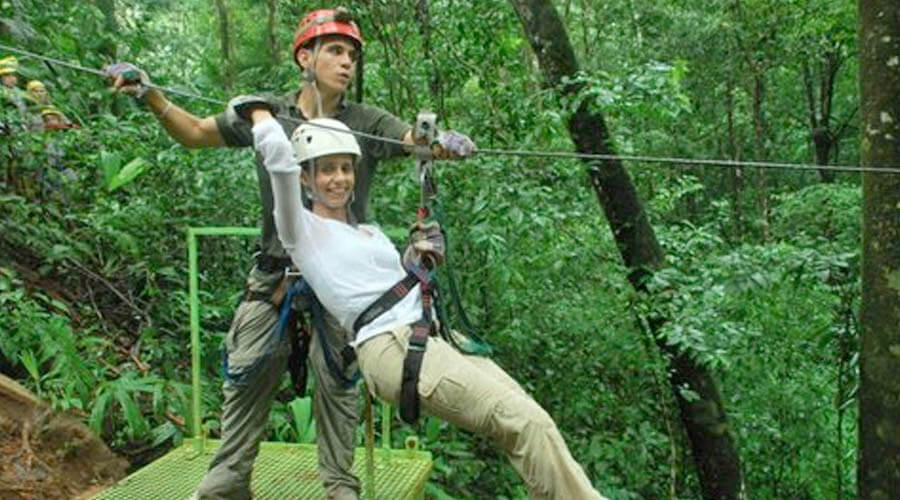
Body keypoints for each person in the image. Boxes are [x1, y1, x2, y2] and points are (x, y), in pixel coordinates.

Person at [103, 8, 474, 500]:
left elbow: (409, 138)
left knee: (339, 384)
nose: (347, 63)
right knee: (248, 371)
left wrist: (435, 141)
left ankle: (340, 486)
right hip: (277, 273)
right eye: (335, 51)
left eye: (352, 54)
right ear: (305, 56)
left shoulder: (363, 121)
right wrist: (151, 95)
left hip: (339, 284)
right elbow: (194, 133)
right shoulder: (267, 112)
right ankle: (228, 483)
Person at [242, 108, 608, 500]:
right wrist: (260, 116)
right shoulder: (300, 230)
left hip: (427, 332)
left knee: (534, 420)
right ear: (306, 178)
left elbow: (386, 282)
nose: (339, 179)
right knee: (524, 422)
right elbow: (278, 162)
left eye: (346, 168)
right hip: (391, 345)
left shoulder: (368, 232)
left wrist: (417, 257)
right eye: (327, 169)